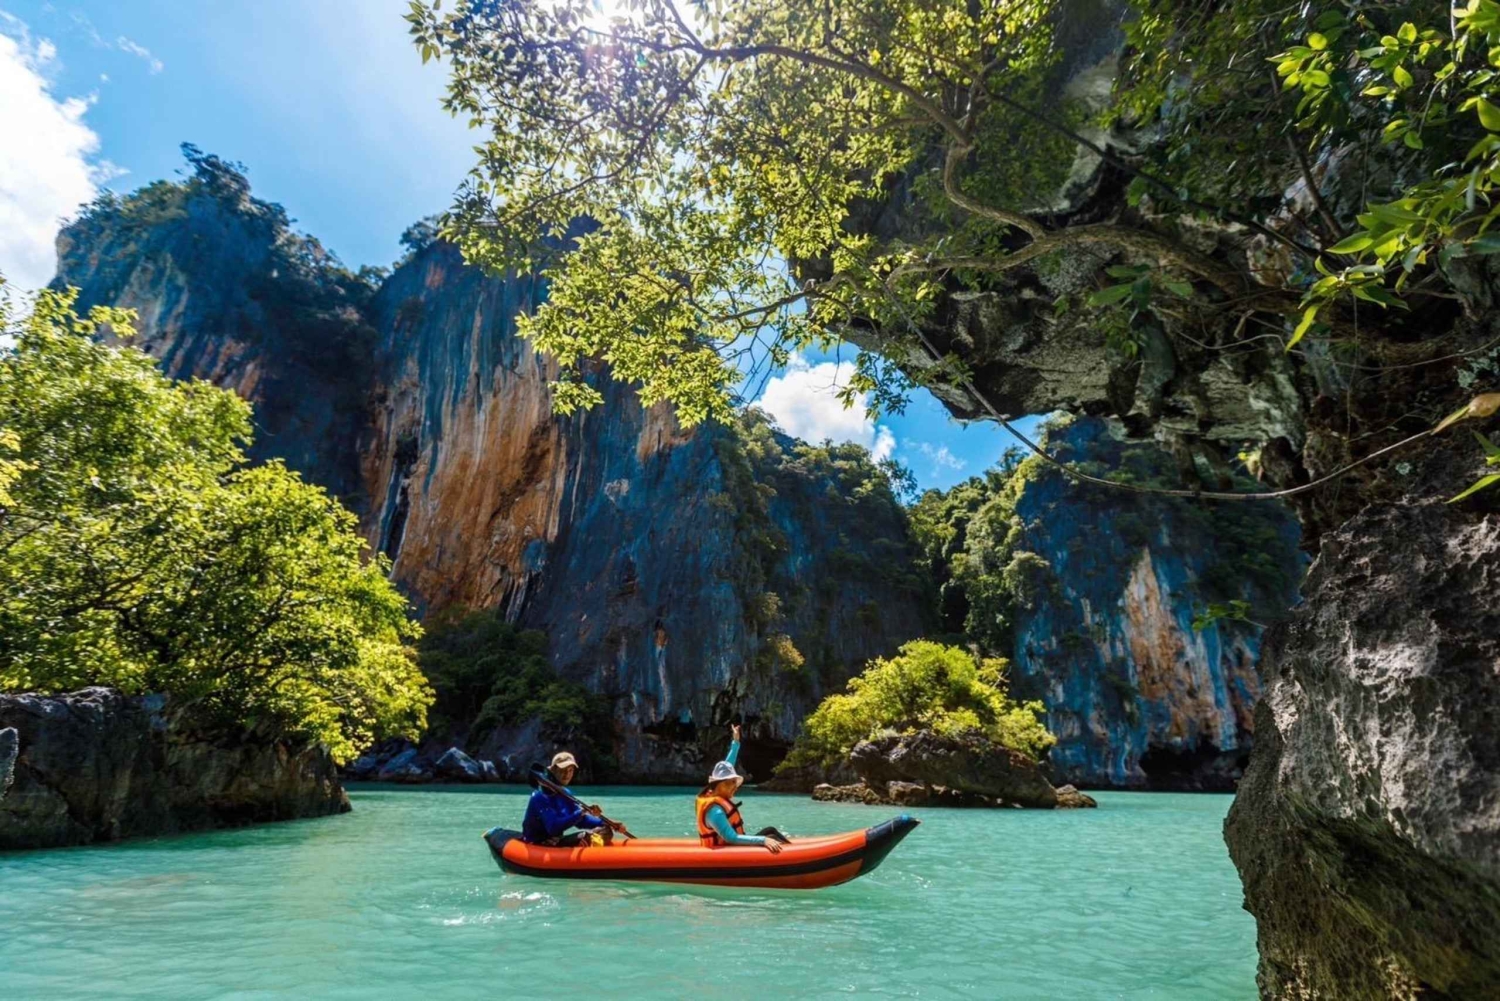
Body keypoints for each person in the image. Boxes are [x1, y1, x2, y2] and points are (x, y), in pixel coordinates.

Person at [695, 724, 785, 853]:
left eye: (734, 783)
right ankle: (791, 858)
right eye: (730, 783)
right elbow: (731, 838)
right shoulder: (715, 811)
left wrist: (736, 742)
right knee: (769, 836)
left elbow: (728, 764)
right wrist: (763, 840)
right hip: (726, 853)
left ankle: (791, 849)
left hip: (732, 847)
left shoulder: (715, 792)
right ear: (718, 784)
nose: (734, 787)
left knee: (770, 831)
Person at [521, 751, 615, 847]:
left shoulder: (565, 793)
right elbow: (553, 827)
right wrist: (581, 812)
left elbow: (581, 821)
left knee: (606, 831)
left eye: (570, 770)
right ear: (553, 770)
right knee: (585, 836)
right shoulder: (540, 796)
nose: (566, 775)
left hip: (556, 841)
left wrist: (606, 823)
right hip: (537, 844)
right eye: (563, 770)